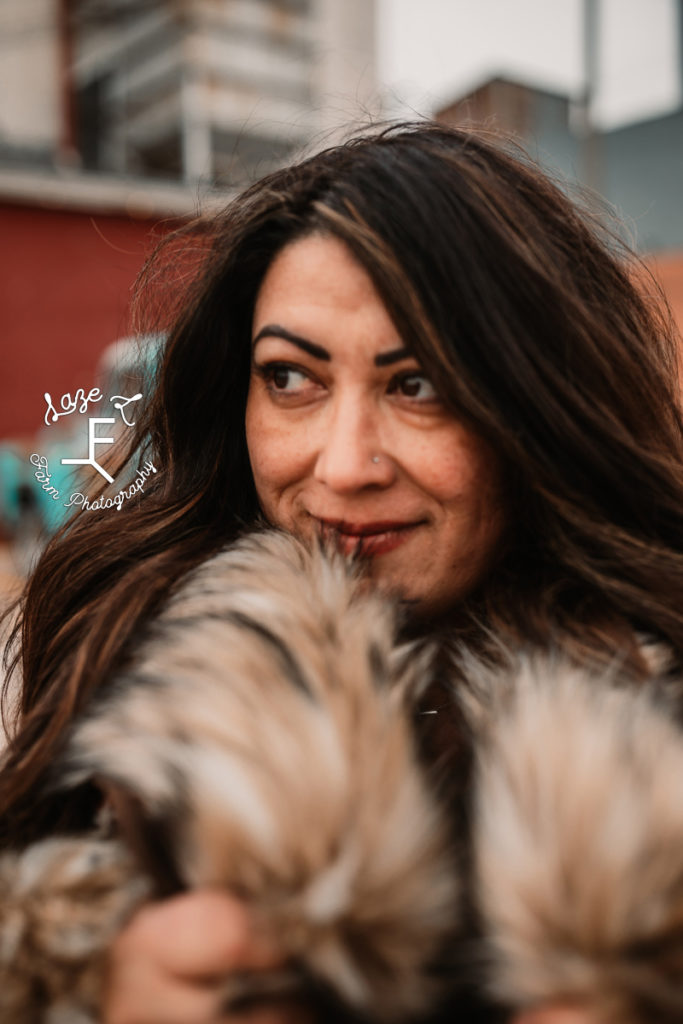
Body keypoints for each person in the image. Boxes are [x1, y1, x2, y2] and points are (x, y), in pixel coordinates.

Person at [3, 121, 683, 1024]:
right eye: (290, 378)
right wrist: (79, 989)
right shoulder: (111, 677)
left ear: (534, 407)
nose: (343, 466)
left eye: (418, 385)